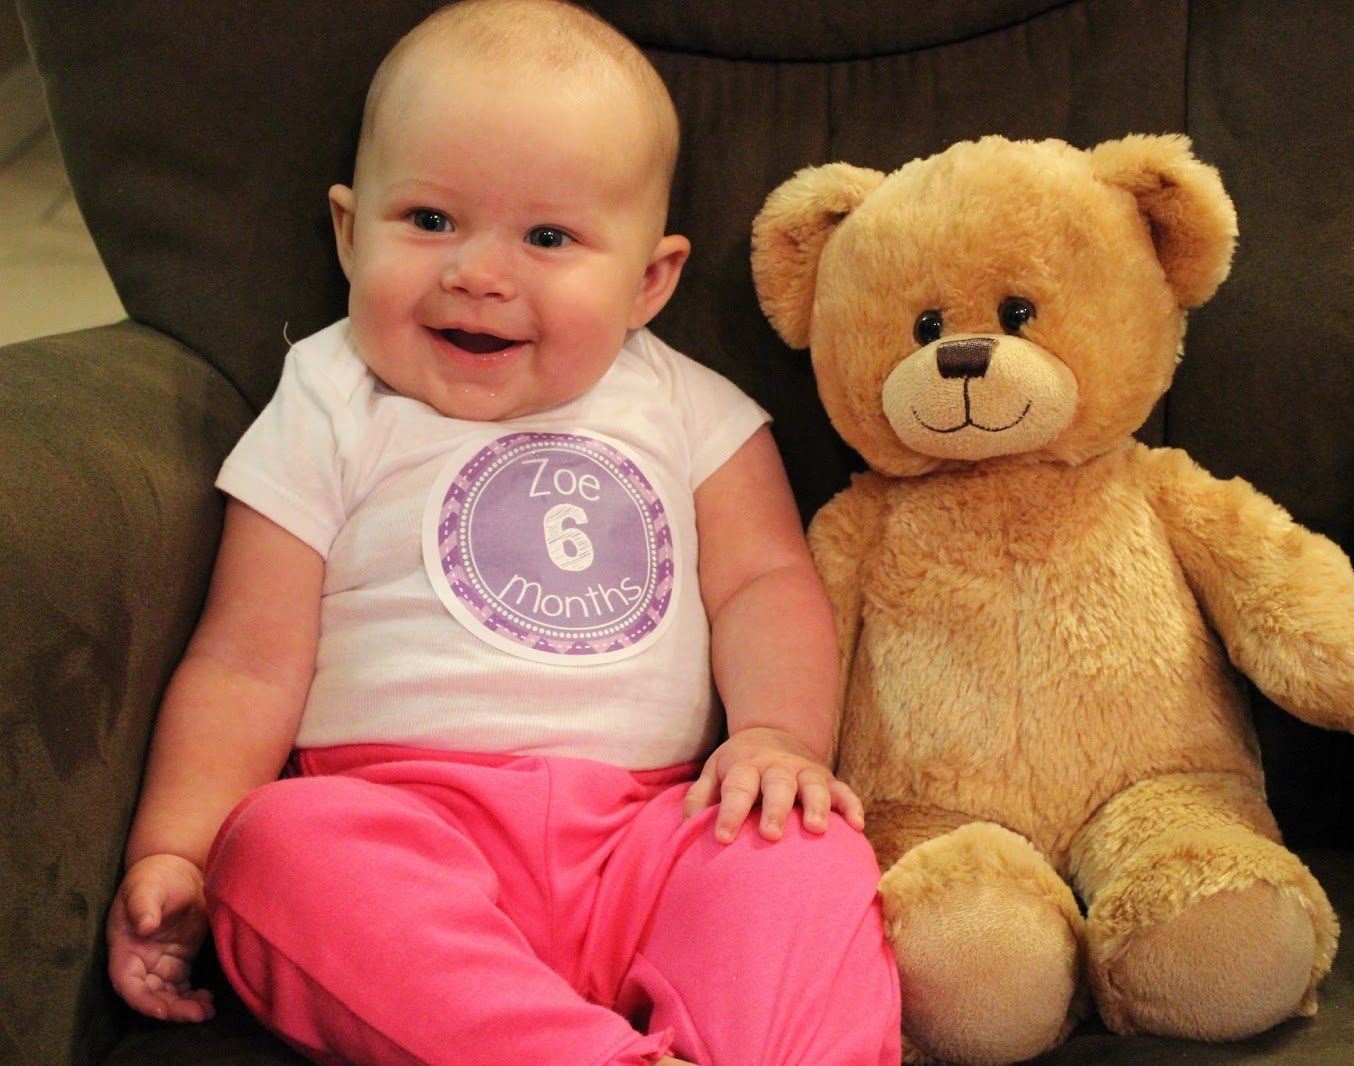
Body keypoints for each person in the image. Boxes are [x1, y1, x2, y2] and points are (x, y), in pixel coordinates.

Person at [103, 2, 901, 1062]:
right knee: (276, 851)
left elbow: (763, 582)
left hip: (651, 835)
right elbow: (247, 658)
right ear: (349, 231)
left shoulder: (687, 407)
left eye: (548, 238)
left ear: (648, 281)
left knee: (801, 849)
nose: (478, 273)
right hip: (401, 828)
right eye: (430, 220)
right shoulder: (329, 397)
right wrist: (177, 847)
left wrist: (777, 737)